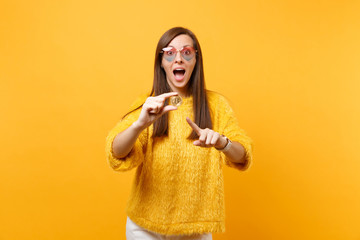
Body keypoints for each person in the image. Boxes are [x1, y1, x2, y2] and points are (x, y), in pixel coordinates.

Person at [105, 27, 253, 240]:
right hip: (144, 227)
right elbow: (117, 153)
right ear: (162, 62)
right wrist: (139, 125)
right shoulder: (149, 104)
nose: (178, 59)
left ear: (195, 60)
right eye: (170, 53)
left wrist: (223, 143)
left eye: (186, 52)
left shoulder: (216, 105)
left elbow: (243, 154)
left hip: (195, 230)